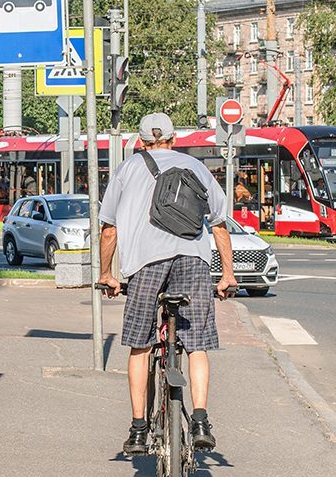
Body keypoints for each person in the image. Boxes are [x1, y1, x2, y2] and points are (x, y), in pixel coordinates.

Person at [96, 112, 236, 456]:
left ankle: (139, 429)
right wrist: (227, 275)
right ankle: (201, 420)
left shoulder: (128, 169)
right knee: (197, 344)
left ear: (141, 142)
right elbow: (219, 225)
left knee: (139, 345)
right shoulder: (196, 167)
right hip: (193, 261)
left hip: (146, 264)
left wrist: (106, 274)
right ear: (174, 139)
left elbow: (109, 229)